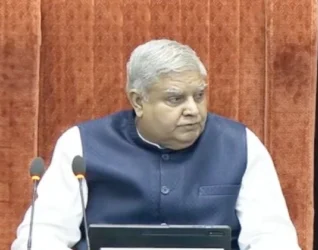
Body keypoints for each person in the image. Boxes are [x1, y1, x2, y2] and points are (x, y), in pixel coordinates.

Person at [11, 39, 301, 250]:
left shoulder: (240, 144)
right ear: (138, 101)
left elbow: (271, 236)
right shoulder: (82, 145)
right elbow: (43, 234)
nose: (193, 110)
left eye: (199, 96)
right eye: (175, 99)